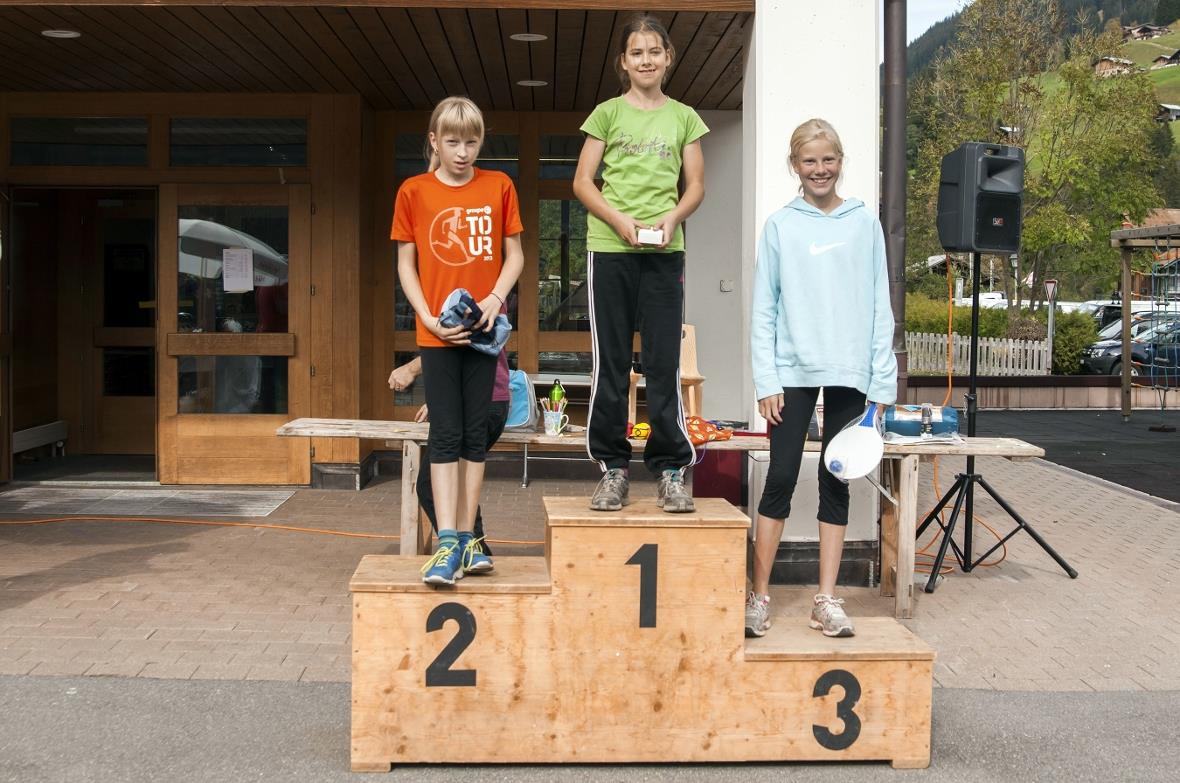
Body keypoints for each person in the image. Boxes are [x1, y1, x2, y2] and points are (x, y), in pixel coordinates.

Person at [746, 119, 897, 638]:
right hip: (792, 370)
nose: (820, 170)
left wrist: (883, 384)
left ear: (841, 161)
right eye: (809, 161)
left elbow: (880, 303)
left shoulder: (863, 223)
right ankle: (758, 595)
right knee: (781, 477)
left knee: (837, 482)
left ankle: (826, 600)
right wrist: (766, 379)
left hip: (852, 371)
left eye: (828, 159)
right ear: (795, 166)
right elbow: (764, 309)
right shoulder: (781, 226)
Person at [573, 13, 708, 514]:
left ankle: (671, 467)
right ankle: (611, 468)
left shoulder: (684, 117)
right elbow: (583, 182)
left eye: (655, 51)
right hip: (609, 250)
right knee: (610, 363)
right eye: (637, 53)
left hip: (664, 252)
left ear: (667, 58)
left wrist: (672, 218)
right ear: (623, 63)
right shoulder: (606, 113)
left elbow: (695, 185)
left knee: (662, 364)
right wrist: (619, 220)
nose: (646, 60)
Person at [391, 96, 524, 585]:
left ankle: (467, 540)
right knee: (445, 436)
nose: (463, 151)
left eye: (471, 142)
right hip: (437, 335)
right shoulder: (414, 191)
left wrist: (494, 298)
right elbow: (406, 263)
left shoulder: (499, 185)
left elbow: (515, 256)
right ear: (434, 141)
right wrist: (425, 315)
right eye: (452, 141)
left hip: (484, 335)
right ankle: (447, 541)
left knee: (474, 439)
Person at [388, 351, 510, 556]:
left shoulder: (464, 323)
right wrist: (443, 400)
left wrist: (410, 369)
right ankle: (470, 550)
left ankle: (468, 551)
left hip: (478, 400)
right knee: (456, 483)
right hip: (476, 399)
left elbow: (458, 345)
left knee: (430, 485)